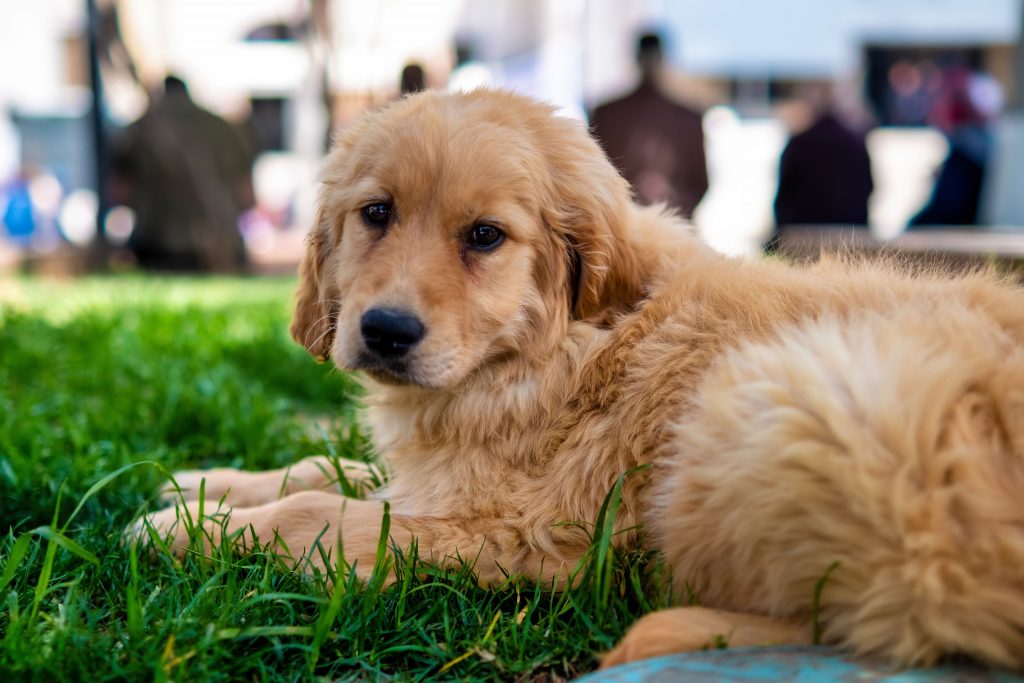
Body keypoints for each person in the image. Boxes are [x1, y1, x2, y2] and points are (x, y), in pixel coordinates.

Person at [110, 76, 254, 272]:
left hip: (157, 244)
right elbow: (247, 195)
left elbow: (121, 190)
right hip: (221, 242)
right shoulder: (222, 128)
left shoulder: (140, 129)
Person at [589, 32, 708, 218]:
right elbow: (594, 175)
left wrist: (674, 207)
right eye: (647, 57)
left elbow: (700, 183)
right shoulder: (607, 115)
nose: (650, 64)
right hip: (626, 222)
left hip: (668, 224)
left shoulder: (688, 118)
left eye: (653, 58)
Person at [768, 88, 874, 252]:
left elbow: (783, 195)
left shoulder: (799, 144)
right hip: (850, 233)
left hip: (802, 234)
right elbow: (869, 188)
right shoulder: (856, 144)